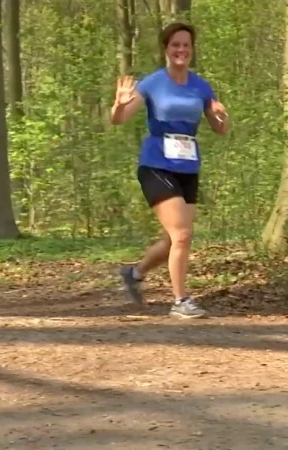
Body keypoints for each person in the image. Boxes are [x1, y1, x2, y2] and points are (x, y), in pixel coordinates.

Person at [110, 22, 229, 319]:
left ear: (192, 50)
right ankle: (180, 301)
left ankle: (134, 273)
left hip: (188, 165)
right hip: (156, 164)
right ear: (166, 48)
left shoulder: (200, 86)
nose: (181, 50)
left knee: (173, 238)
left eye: (186, 45)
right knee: (183, 234)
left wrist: (220, 116)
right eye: (176, 45)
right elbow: (120, 119)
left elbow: (219, 129)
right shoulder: (152, 83)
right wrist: (118, 105)